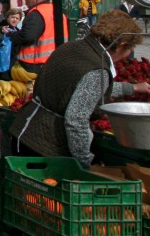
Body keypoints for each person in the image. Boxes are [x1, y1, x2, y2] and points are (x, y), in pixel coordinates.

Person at [10, 10, 150, 168]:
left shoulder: (72, 47)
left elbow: (81, 88)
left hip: (25, 131)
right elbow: (76, 120)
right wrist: (85, 162)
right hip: (45, 147)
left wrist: (133, 88)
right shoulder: (97, 68)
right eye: (130, 49)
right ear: (122, 45)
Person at [8, 0, 69, 75]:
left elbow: (27, 36)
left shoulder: (36, 13)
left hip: (35, 64)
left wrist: (11, 35)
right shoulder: (58, 11)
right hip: (55, 59)